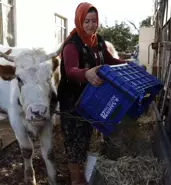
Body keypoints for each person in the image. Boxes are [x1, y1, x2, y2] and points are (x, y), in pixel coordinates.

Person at [57, 2, 129, 185]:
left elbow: (109, 59)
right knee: (74, 145)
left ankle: (87, 176)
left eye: (94, 21)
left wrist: (126, 64)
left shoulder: (98, 41)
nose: (90, 25)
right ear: (79, 21)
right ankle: (76, 181)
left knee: (88, 138)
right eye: (86, 21)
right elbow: (70, 69)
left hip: (91, 99)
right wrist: (86, 73)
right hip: (72, 103)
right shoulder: (72, 45)